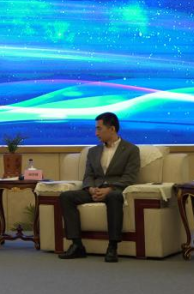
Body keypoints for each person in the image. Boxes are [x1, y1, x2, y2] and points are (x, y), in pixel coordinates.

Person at [58, 112, 141, 263]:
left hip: (114, 191)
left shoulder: (131, 150)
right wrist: (90, 188)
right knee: (66, 197)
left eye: (99, 129)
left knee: (114, 197)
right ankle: (77, 245)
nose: (96, 133)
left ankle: (112, 246)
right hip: (94, 190)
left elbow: (129, 177)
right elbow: (88, 176)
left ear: (112, 129)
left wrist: (109, 189)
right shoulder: (93, 151)